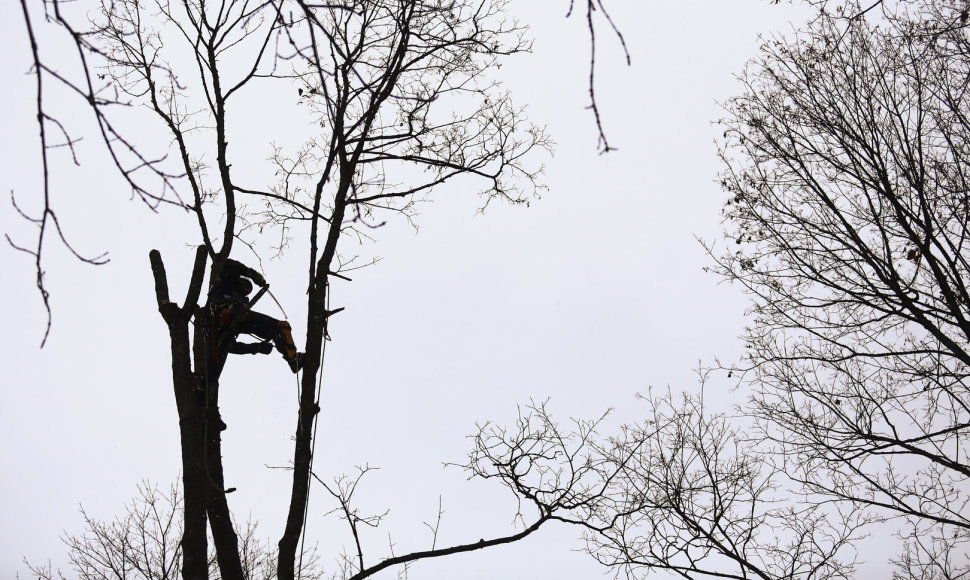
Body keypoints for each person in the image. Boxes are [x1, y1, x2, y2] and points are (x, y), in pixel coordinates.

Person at [205, 258, 303, 382]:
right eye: (246, 286)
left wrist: (256, 348)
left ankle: (292, 360)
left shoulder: (236, 304)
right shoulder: (227, 281)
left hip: (231, 324)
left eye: (248, 291)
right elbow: (229, 264)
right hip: (224, 317)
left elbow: (232, 347)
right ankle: (293, 359)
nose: (246, 290)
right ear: (238, 280)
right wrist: (251, 273)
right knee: (281, 326)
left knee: (279, 330)